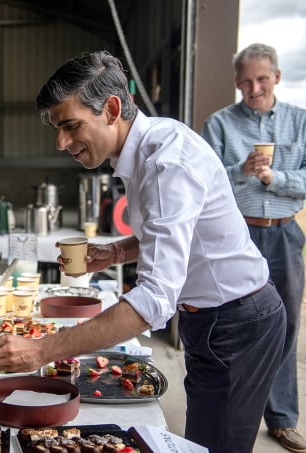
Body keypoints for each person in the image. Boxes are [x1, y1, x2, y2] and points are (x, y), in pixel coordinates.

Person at [0, 51, 287, 453]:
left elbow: (155, 300)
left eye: (70, 126)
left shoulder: (166, 162)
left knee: (217, 446)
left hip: (238, 322)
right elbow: (174, 235)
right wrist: (116, 253)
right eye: (57, 129)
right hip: (211, 320)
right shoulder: (144, 148)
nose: (61, 142)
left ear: (111, 108)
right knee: (205, 439)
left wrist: (41, 350)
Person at [201, 42, 306, 453]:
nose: (254, 87)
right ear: (236, 82)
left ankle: (281, 419)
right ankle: (235, 414)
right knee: (232, 325)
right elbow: (207, 184)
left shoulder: (300, 122)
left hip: (283, 233)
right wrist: (242, 171)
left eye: (262, 79)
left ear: (277, 77)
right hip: (236, 235)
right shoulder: (220, 124)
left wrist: (272, 178)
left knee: (286, 326)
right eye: (246, 81)